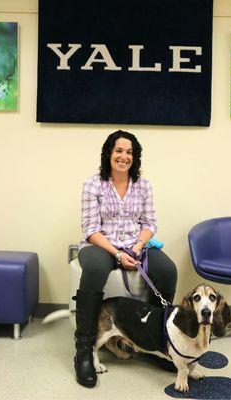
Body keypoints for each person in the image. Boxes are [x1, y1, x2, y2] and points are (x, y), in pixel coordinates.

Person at [74, 130, 177, 388]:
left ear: (135, 157)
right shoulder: (93, 184)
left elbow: (150, 223)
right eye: (118, 150)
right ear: (109, 153)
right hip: (100, 244)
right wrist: (118, 253)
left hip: (136, 244)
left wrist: (138, 247)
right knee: (96, 269)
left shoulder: (144, 185)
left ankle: (158, 344)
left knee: (167, 270)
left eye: (129, 152)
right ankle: (84, 349)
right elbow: (90, 228)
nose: (124, 156)